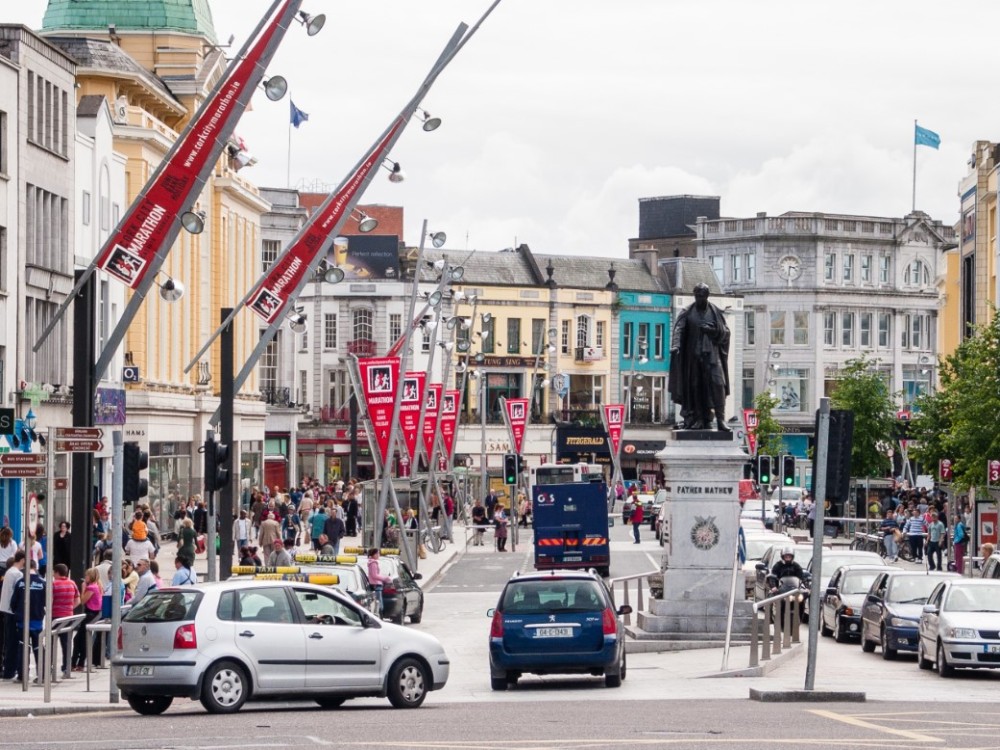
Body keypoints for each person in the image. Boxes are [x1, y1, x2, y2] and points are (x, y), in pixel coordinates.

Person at [668, 282, 731, 431]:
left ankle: (721, 419)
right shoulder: (687, 312)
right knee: (695, 387)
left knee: (718, 384)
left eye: (702, 296)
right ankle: (699, 419)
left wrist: (713, 331)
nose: (699, 298)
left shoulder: (715, 312)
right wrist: (676, 345)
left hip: (712, 356)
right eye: (697, 295)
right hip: (693, 358)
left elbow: (726, 332)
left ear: (707, 296)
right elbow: (679, 329)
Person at [11, 559, 45, 682]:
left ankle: (22, 674)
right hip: (37, 620)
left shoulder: (20, 582)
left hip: (22, 621)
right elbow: (47, 601)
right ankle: (42, 674)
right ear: (35, 567)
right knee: (38, 647)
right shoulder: (42, 583)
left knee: (23, 647)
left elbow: (13, 602)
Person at [51, 564, 79, 678]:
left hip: (55, 617)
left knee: (51, 643)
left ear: (57, 572)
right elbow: (78, 599)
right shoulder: (72, 583)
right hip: (68, 616)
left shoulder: (54, 584)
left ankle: (49, 667)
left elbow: (50, 600)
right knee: (67, 644)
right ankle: (66, 668)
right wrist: (70, 608)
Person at [1, 552, 26, 679]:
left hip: (6, 609)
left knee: (9, 641)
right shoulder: (17, 574)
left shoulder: (9, 572)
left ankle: (9, 669)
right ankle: (11, 670)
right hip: (12, 611)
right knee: (14, 642)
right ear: (22, 559)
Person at [72, 567, 103, 672]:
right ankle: (78, 663)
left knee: (78, 639)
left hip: (90, 614)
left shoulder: (92, 588)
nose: (85, 577)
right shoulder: (98, 586)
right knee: (82, 639)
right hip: (93, 614)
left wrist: (83, 588)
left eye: (87, 576)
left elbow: (83, 600)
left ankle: (76, 663)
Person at [366, 548, 393, 616]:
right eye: (377, 553)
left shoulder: (372, 562)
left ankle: (380, 615)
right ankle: (380, 616)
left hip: (376, 584)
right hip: (376, 585)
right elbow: (374, 575)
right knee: (379, 604)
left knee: (378, 603)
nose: (378, 555)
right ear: (374, 555)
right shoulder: (373, 563)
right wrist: (385, 578)